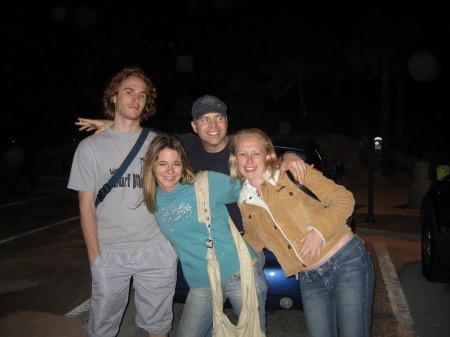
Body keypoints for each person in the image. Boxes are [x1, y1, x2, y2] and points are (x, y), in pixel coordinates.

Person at [229, 128, 375, 337]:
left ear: (268, 155)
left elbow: (344, 199)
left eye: (256, 153)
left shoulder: (291, 172)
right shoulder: (245, 203)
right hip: (309, 279)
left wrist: (319, 232)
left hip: (346, 262)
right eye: (243, 154)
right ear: (235, 159)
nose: (250, 160)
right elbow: (252, 243)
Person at [67, 67, 178, 337]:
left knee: (158, 326)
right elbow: (86, 207)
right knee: (101, 329)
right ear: (114, 97)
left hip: (155, 249)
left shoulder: (157, 143)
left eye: (142, 94)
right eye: (129, 91)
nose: (136, 99)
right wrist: (95, 258)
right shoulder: (89, 148)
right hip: (109, 252)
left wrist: (170, 249)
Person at [141, 133, 268, 337]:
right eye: (163, 163)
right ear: (151, 166)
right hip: (202, 283)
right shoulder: (153, 201)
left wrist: (285, 165)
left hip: (239, 273)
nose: (170, 171)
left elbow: (252, 187)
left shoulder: (205, 182)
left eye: (176, 163)